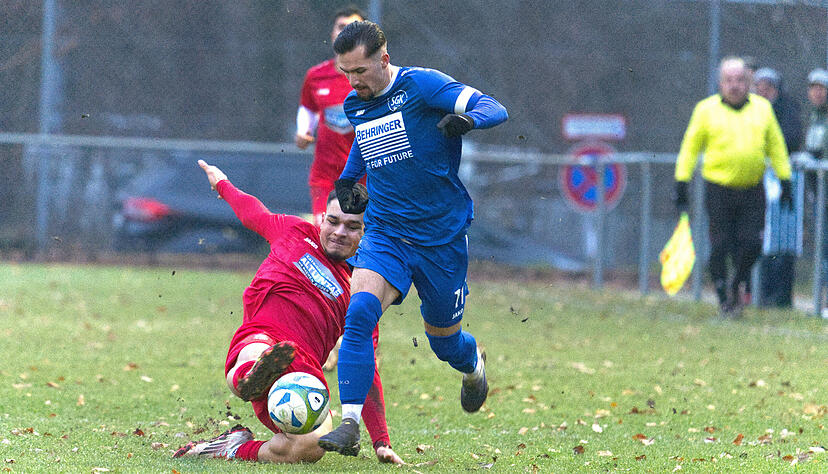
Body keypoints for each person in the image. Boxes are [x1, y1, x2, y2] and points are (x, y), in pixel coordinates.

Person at [316, 21, 508, 457]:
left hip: (441, 239)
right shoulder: (356, 105)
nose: (353, 81)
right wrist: (347, 190)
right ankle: (348, 423)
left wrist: (467, 120)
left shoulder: (421, 86)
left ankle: (473, 364)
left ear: (383, 60)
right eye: (346, 72)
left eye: (361, 70)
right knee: (360, 311)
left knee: (445, 343)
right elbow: (357, 162)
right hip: (387, 233)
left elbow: (494, 108)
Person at [173, 159, 403, 465]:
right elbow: (253, 213)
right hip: (262, 337)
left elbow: (366, 368)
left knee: (313, 447)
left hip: (303, 372)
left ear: (367, 231)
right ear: (322, 217)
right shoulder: (295, 231)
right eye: (332, 221)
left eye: (352, 226)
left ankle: (232, 447)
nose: (338, 232)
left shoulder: (362, 288)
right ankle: (249, 378)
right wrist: (223, 185)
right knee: (256, 351)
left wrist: (381, 442)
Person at [674, 56, 792, 318]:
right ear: (720, 83)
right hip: (719, 188)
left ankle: (736, 282)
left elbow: (776, 147)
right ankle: (724, 299)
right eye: (729, 81)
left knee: (752, 244)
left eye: (740, 80)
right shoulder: (706, 110)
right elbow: (690, 148)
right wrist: (681, 182)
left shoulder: (762, 109)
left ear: (748, 82)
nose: (735, 86)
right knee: (721, 245)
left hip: (752, 188)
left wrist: (786, 180)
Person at [295, 5, 366, 227]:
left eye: (352, 28)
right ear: (332, 33)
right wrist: (302, 133)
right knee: (325, 229)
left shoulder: (372, 76)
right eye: (341, 27)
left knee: (358, 234)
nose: (345, 32)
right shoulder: (316, 76)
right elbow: (308, 109)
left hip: (364, 175)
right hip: (326, 176)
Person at [753, 67, 802, 308]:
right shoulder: (750, 110)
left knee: (782, 242)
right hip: (757, 181)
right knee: (761, 239)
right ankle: (760, 294)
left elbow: (790, 138)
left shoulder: (788, 109)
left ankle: (780, 298)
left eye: (767, 86)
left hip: (783, 183)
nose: (763, 91)